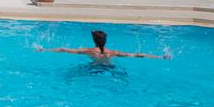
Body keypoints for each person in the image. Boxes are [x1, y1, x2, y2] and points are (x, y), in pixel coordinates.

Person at [40, 30, 168, 63]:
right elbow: (138, 55)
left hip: (93, 68)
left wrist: (44, 49)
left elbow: (64, 49)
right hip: (109, 68)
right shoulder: (113, 52)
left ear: (94, 41)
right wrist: (160, 57)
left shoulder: (89, 51)